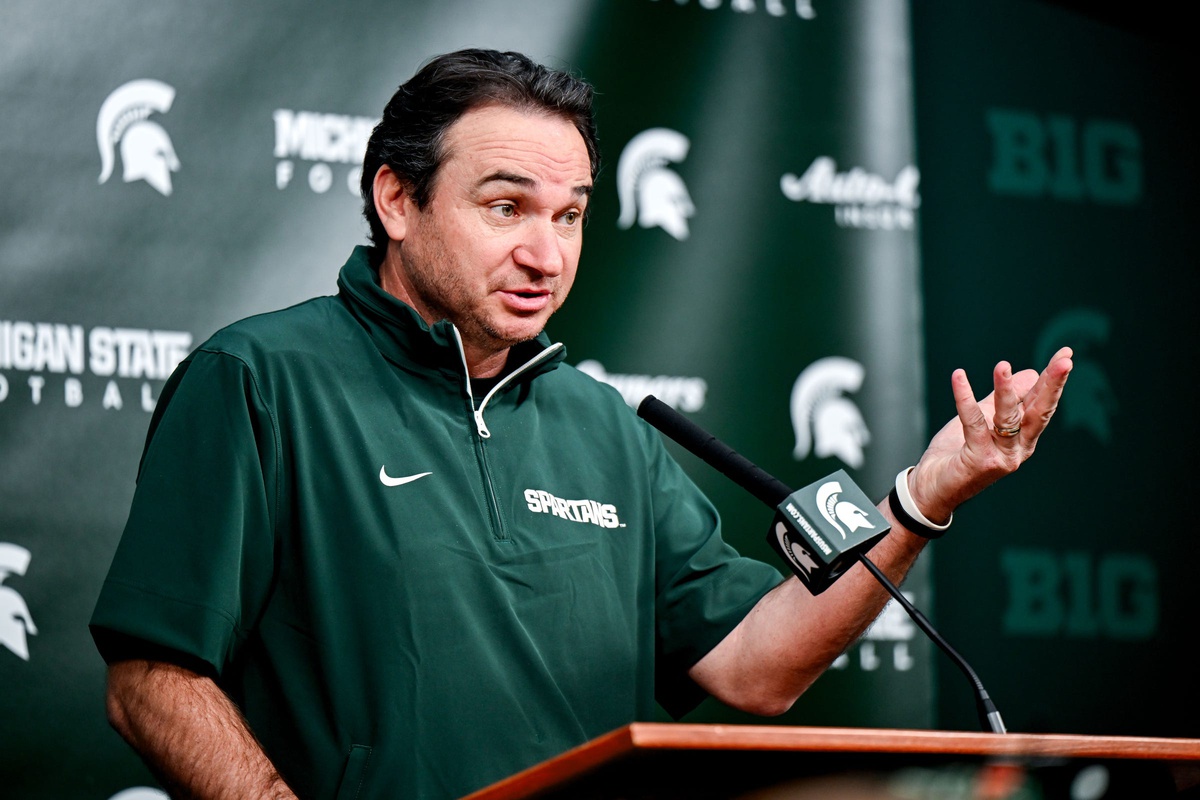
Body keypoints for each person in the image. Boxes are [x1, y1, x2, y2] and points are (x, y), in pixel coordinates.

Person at [90, 49, 1073, 800]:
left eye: (568, 215)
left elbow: (755, 666)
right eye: (506, 205)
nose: (544, 252)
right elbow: (150, 677)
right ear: (397, 197)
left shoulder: (602, 422)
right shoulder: (258, 378)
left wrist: (926, 494)